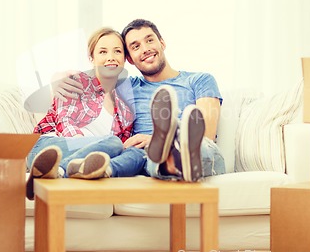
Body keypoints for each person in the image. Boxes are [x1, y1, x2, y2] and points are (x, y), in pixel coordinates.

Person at [55, 19, 225, 182]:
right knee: (150, 156)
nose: (145, 49)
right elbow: (96, 77)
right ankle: (171, 156)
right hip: (150, 156)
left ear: (162, 43)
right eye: (136, 47)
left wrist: (154, 138)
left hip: (200, 149)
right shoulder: (126, 87)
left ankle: (175, 137)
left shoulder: (200, 80)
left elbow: (207, 135)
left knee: (191, 145)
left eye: (149, 40)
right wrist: (57, 77)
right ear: (129, 59)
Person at [26, 27, 146, 200]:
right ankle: (56, 171)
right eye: (103, 51)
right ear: (92, 58)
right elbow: (65, 123)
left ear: (124, 59)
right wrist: (105, 147)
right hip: (48, 150)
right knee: (114, 143)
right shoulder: (76, 82)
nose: (111, 57)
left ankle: (60, 173)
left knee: (137, 154)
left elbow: (122, 148)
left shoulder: (125, 109)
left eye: (117, 51)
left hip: (84, 157)